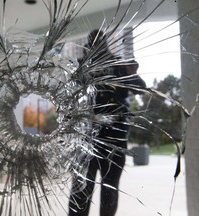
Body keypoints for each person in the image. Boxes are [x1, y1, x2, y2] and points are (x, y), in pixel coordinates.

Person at [68, 29, 146, 216]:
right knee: (81, 190)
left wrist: (132, 74)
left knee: (109, 189)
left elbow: (141, 90)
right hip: (86, 140)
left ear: (105, 44)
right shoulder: (80, 68)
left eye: (100, 42)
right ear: (88, 45)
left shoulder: (119, 65)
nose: (96, 46)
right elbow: (66, 97)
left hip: (114, 139)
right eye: (93, 42)